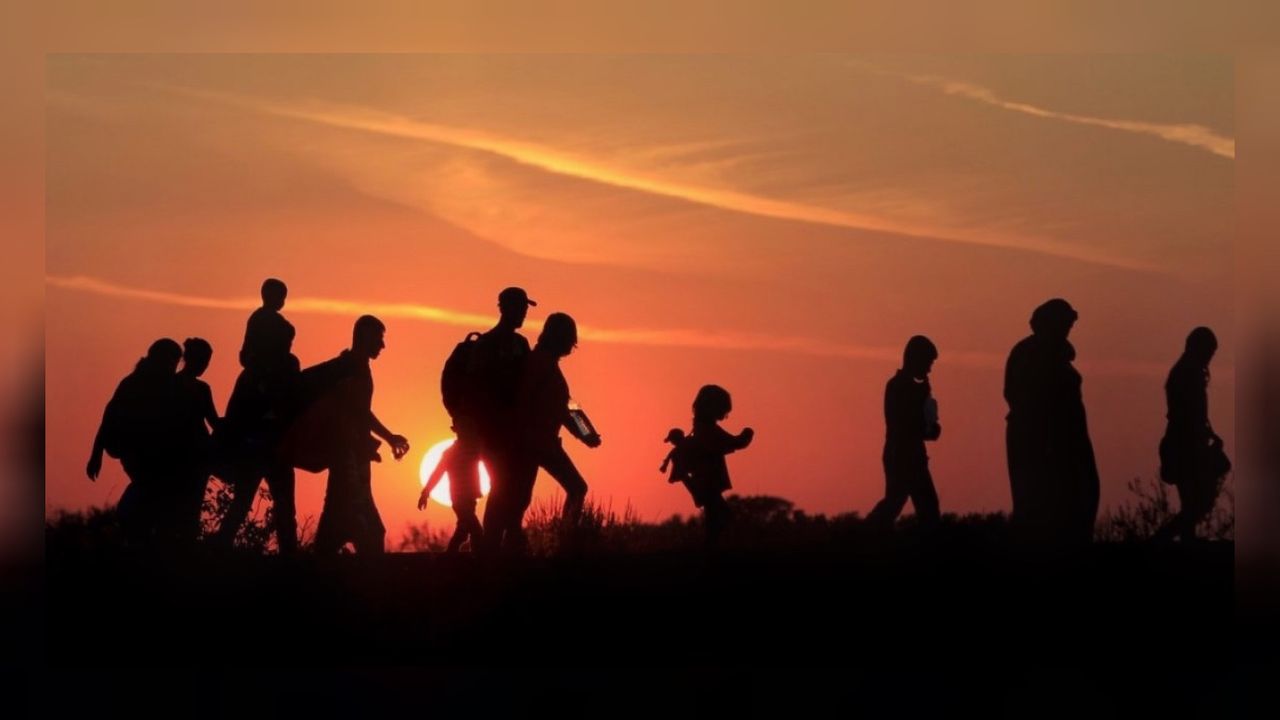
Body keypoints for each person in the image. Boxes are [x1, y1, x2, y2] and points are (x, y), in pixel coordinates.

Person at [213, 279, 301, 553]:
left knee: (284, 503)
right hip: (256, 442)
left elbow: (295, 402)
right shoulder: (253, 379)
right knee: (245, 500)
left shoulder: (288, 366)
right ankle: (219, 550)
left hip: (277, 442)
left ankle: (289, 555)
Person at [309, 315, 410, 555]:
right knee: (371, 532)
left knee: (333, 531)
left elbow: (358, 412)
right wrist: (389, 437)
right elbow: (359, 411)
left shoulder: (354, 366)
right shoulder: (353, 367)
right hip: (348, 460)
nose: (382, 345)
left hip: (351, 457)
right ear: (364, 337)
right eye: (379, 338)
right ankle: (368, 588)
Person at [1004, 298, 1100, 544]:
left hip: (1067, 441)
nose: (1069, 328)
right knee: (1041, 506)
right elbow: (1021, 398)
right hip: (1044, 442)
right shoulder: (1031, 355)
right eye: (1065, 323)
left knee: (1081, 496)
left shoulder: (1054, 356)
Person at [511, 313, 601, 544]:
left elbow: (566, 406)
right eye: (570, 340)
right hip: (535, 442)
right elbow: (531, 401)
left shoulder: (547, 365)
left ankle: (515, 543)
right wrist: (585, 433)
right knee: (573, 488)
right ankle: (564, 540)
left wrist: (586, 433)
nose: (572, 346)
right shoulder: (540, 363)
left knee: (522, 498)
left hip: (542, 442)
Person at [86, 338, 183, 547]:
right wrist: (96, 454)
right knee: (148, 487)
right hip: (134, 449)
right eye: (170, 361)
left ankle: (136, 534)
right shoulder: (133, 383)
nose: (172, 367)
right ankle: (124, 524)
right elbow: (109, 418)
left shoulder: (166, 385)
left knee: (152, 493)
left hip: (153, 451)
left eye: (175, 363)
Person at [471, 287, 536, 553]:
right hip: (492, 435)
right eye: (519, 308)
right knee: (500, 491)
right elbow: (476, 389)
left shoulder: (521, 345)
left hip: (516, 435)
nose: (523, 313)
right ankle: (490, 551)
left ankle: (507, 547)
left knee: (517, 494)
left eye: (525, 308)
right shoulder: (485, 345)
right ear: (503, 308)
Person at [1154, 327, 1230, 542]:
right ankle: (1162, 540)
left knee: (1194, 501)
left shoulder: (1186, 372)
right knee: (1198, 501)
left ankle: (1183, 540)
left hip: (1186, 442)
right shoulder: (1187, 373)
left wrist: (1208, 434)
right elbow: (1185, 414)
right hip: (1184, 445)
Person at [865, 336, 942, 531]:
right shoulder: (898, 387)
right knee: (900, 503)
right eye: (927, 363)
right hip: (901, 454)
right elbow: (901, 425)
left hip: (910, 454)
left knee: (918, 505)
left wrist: (930, 427)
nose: (929, 369)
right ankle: (865, 534)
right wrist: (926, 427)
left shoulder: (914, 388)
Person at [672, 385, 754, 548]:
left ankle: (713, 547)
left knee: (716, 516)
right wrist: (746, 436)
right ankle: (713, 549)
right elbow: (727, 442)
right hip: (707, 480)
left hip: (706, 480)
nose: (724, 414)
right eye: (722, 409)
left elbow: (726, 442)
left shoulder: (701, 428)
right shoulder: (706, 429)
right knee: (721, 515)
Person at [171, 337, 220, 542]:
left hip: (198, 454)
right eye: (203, 361)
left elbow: (214, 421)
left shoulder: (199, 387)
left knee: (189, 506)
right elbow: (214, 422)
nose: (204, 366)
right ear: (189, 359)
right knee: (181, 505)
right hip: (181, 453)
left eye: (207, 362)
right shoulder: (173, 385)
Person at [417, 440, 485, 553]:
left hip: (471, 497)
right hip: (459, 499)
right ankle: (478, 559)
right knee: (475, 530)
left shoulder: (475, 449)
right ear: (455, 429)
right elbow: (438, 472)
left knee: (463, 529)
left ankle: (451, 557)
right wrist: (426, 492)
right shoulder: (451, 453)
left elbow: (491, 462)